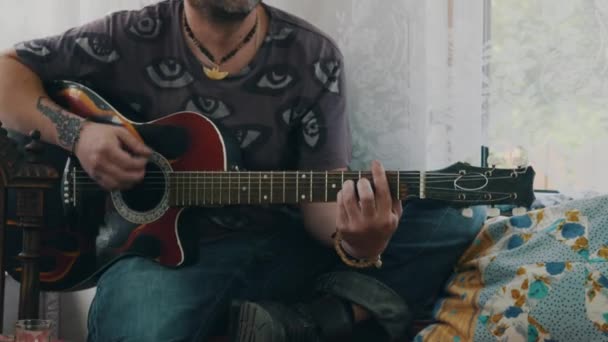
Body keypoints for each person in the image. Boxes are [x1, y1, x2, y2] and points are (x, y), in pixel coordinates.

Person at [0, 0, 486, 341]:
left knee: (451, 222)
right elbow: (6, 73)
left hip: (278, 244)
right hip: (160, 252)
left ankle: (311, 320)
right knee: (141, 330)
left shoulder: (313, 56)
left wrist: (357, 243)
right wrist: (78, 135)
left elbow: (320, 203)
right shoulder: (126, 36)